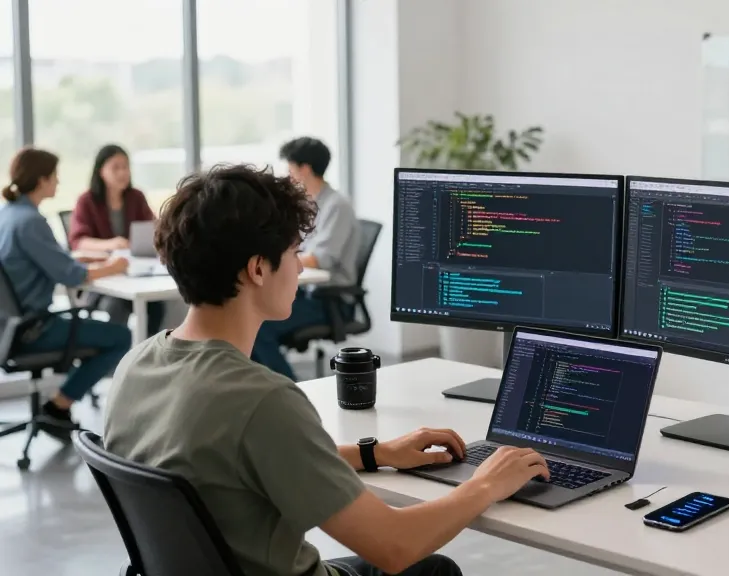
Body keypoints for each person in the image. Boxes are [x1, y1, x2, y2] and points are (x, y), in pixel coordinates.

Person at [103, 164, 548, 576]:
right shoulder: (261, 400)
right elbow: (394, 546)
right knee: (433, 569)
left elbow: (241, 461)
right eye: (295, 251)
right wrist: (485, 484)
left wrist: (376, 452)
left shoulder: (135, 365)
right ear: (258, 269)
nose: (299, 265)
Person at [0, 147, 132, 432]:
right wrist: (114, 266)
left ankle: (59, 404)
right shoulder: (31, 221)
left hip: (9, 325)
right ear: (41, 180)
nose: (58, 182)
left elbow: (48, 260)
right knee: (122, 337)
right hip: (32, 328)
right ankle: (59, 405)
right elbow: (71, 276)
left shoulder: (9, 215)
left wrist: (81, 258)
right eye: (55, 177)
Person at [252, 137, 360, 380]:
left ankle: (289, 391)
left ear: (305, 169)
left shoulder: (336, 206)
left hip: (328, 300)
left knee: (259, 326)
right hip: (303, 293)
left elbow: (321, 259)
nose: (287, 175)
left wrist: (277, 260)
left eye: (290, 169)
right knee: (247, 314)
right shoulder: (306, 204)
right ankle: (260, 388)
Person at [68, 144, 165, 335]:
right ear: (101, 171)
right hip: (103, 278)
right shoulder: (86, 201)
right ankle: (115, 354)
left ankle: (144, 356)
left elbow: (154, 229)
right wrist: (112, 244)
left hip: (134, 272)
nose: (122, 172)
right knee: (115, 306)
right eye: (116, 167)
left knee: (157, 306)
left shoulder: (136, 197)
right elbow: (79, 242)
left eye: (126, 166)